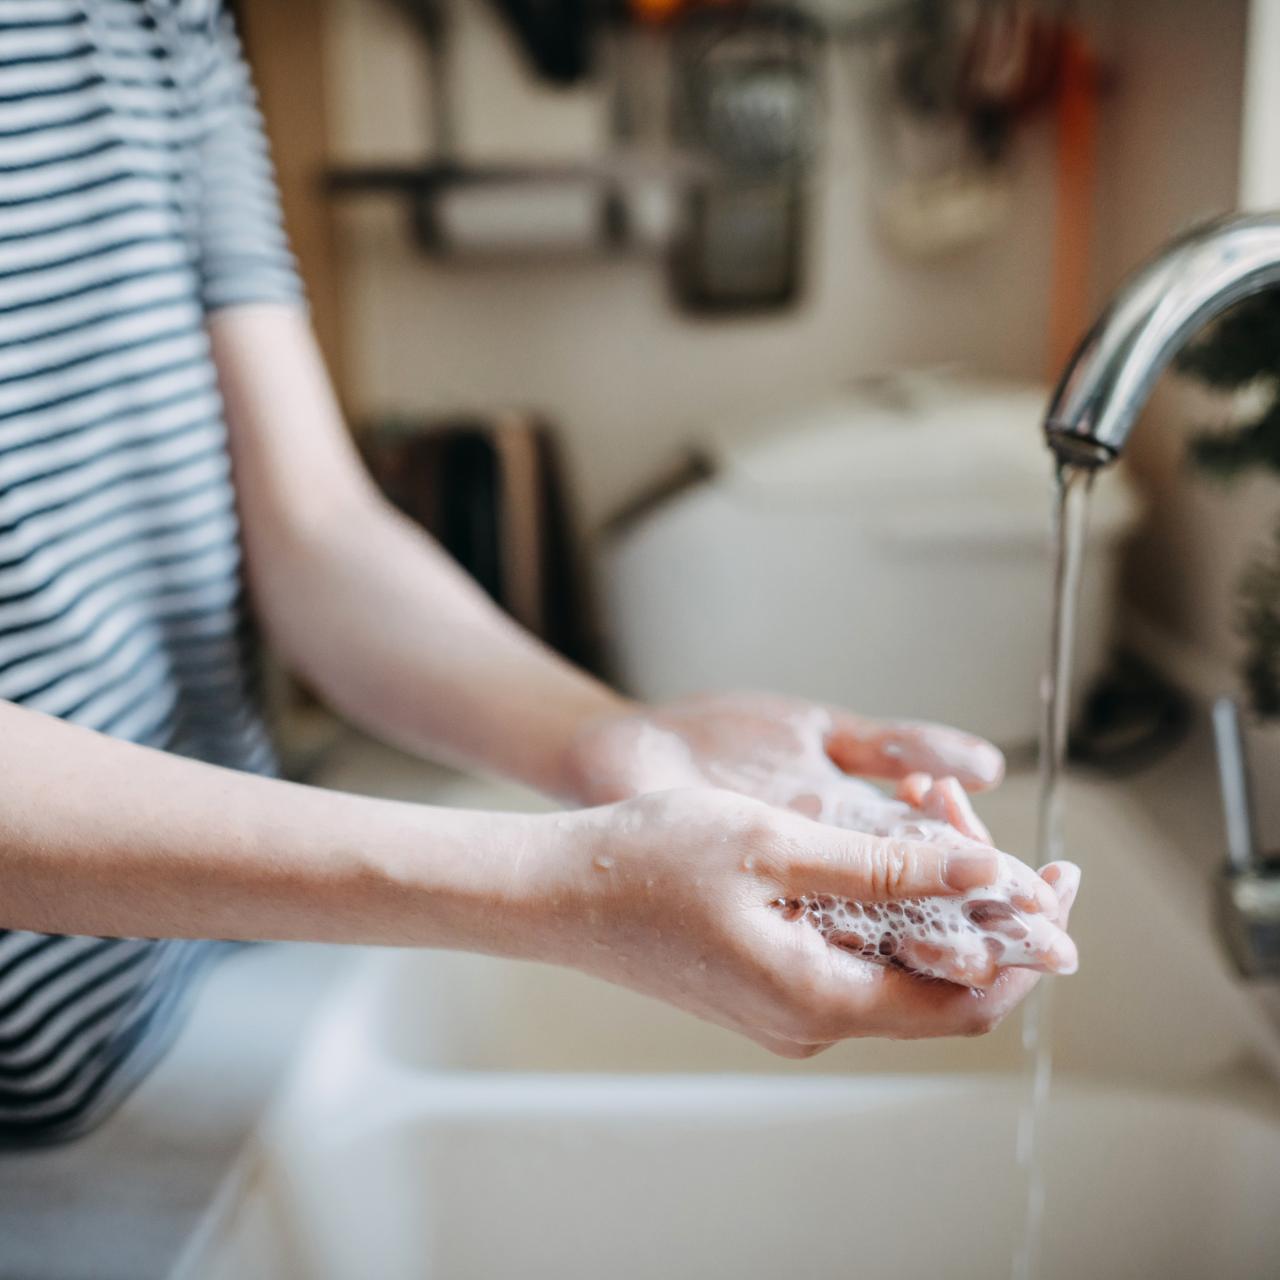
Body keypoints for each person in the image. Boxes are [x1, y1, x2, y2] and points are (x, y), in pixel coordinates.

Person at [0, 0, 1077, 1147]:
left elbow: (313, 522)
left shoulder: (158, 17)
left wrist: (609, 735)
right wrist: (556, 885)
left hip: (173, 990)